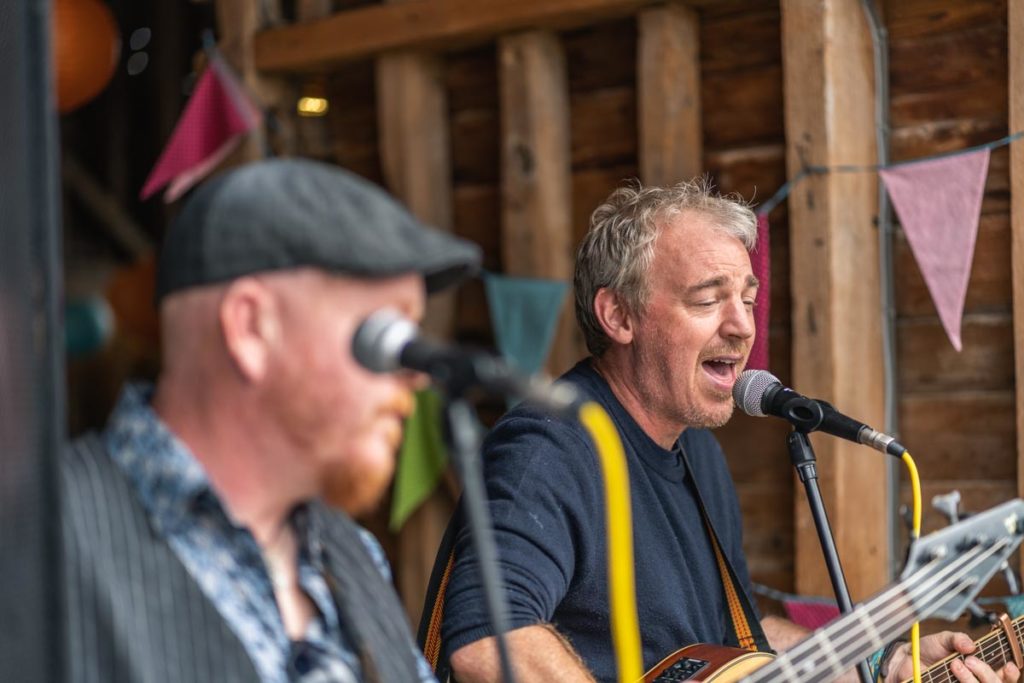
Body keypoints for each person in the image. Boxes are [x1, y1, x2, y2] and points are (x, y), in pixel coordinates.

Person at [435, 179, 1019, 683]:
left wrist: (887, 664)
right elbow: (488, 642)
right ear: (619, 316)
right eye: (708, 300)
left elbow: (739, 639)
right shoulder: (551, 447)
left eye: (747, 298)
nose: (742, 327)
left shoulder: (700, 457)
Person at [60, 158, 480, 683]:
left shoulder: (352, 556)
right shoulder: (38, 539)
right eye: (386, 336)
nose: (414, 379)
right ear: (252, 328)